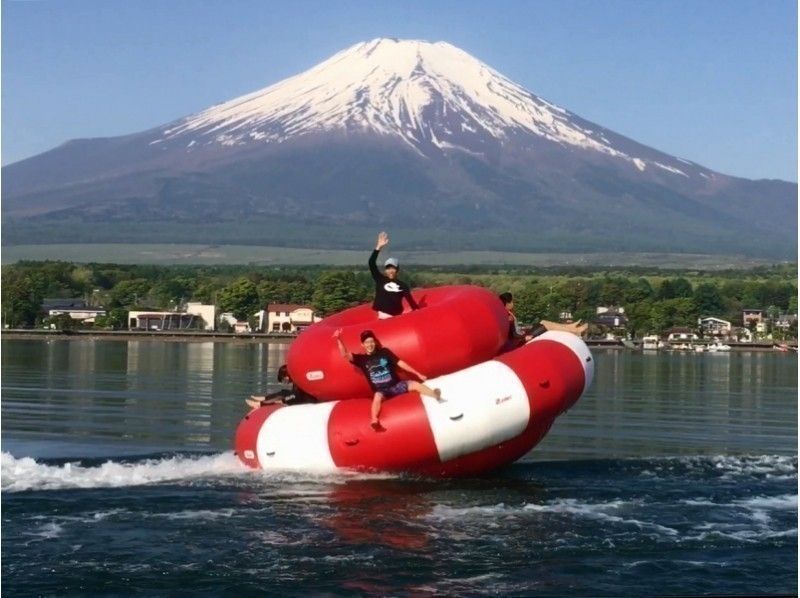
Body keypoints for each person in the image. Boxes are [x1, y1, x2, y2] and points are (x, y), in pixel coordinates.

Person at [334, 328, 442, 430]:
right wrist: (339, 339)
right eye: (367, 342)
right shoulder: (361, 359)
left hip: (396, 385)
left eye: (371, 341)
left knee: (415, 384)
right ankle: (374, 420)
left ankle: (434, 394)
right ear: (362, 344)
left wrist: (418, 373)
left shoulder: (384, 352)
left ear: (375, 342)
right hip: (382, 391)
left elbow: (400, 363)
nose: (370, 344)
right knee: (376, 397)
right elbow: (345, 355)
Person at [499, 292, 588, 350]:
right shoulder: (508, 316)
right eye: (512, 302)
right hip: (522, 339)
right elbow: (513, 334)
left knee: (543, 322)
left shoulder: (509, 313)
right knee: (545, 324)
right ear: (507, 303)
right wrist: (524, 337)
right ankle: (575, 330)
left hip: (523, 334)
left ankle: (571, 327)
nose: (513, 304)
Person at [369, 231, 420, 319]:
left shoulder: (402, 285)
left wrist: (420, 313)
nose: (390, 271)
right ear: (385, 270)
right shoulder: (380, 279)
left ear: (397, 270)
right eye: (388, 268)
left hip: (396, 320)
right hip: (382, 318)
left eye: (393, 268)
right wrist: (378, 247)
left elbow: (411, 302)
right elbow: (371, 263)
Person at [245, 364, 317, 410]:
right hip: (300, 398)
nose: (284, 380)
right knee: (284, 392)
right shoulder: (296, 380)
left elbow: (296, 396)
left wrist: (283, 400)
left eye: (284, 377)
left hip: (306, 403)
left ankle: (259, 404)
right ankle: (264, 398)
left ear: (287, 374)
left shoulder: (298, 381)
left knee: (282, 396)